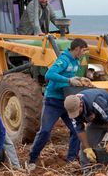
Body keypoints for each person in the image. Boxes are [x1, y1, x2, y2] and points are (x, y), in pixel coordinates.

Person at [28, 38, 92, 169]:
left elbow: (70, 78)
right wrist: (69, 80)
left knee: (76, 130)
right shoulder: (64, 60)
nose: (84, 53)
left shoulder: (76, 62)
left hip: (67, 102)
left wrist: (80, 79)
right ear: (78, 48)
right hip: (53, 101)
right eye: (83, 50)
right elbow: (49, 74)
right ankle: (32, 159)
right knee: (45, 131)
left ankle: (71, 159)